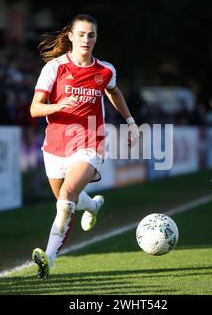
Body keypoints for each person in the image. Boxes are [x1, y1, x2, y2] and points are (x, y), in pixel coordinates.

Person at [29, 14, 139, 279]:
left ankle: (48, 258)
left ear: (96, 38)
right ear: (71, 36)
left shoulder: (105, 71)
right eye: (81, 34)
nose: (86, 40)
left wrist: (131, 121)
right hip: (55, 146)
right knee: (67, 201)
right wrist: (57, 106)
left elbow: (113, 91)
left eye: (91, 35)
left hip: (91, 142)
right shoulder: (55, 68)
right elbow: (34, 109)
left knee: (67, 197)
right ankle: (93, 206)